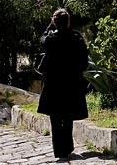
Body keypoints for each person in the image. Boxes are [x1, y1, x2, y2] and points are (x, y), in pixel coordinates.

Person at [37, 8, 88, 162]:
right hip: (71, 83)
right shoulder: (76, 38)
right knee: (68, 117)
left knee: (55, 118)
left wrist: (49, 27)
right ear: (68, 21)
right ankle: (68, 147)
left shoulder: (51, 39)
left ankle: (60, 150)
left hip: (54, 84)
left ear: (54, 22)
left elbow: (42, 39)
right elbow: (84, 61)